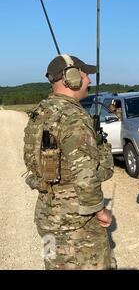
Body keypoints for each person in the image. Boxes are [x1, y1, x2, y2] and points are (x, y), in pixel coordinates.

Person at [23, 54, 114, 270]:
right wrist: (99, 210)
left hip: (46, 216)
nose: (89, 81)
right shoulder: (74, 117)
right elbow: (85, 176)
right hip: (75, 221)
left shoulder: (40, 112)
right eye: (85, 75)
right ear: (71, 77)